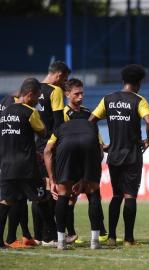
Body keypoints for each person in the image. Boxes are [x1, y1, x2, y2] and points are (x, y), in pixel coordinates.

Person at [90, 64, 149, 246]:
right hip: (133, 155)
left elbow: (91, 121)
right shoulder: (139, 100)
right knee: (130, 196)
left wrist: (100, 143)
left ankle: (111, 237)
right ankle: (128, 239)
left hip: (114, 155)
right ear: (139, 83)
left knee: (116, 195)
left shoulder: (108, 99)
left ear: (123, 80)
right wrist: (148, 139)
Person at [0, 78, 54, 249]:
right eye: (37, 97)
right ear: (30, 94)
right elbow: (43, 131)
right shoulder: (30, 112)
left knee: (7, 201)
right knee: (42, 198)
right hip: (26, 166)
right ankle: (51, 237)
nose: (38, 101)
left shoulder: (4, 113)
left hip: (6, 166)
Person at [60, 78, 108, 245]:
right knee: (70, 197)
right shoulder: (63, 115)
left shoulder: (88, 113)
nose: (80, 96)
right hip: (72, 162)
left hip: (89, 160)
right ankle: (71, 233)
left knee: (94, 194)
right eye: (76, 94)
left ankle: (101, 232)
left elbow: (95, 134)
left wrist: (102, 146)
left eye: (82, 93)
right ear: (67, 94)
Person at [44, 117, 104, 250]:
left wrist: (52, 180)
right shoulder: (92, 127)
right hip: (89, 144)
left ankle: (61, 242)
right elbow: (99, 152)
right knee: (93, 192)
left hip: (66, 146)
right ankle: (95, 242)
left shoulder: (59, 128)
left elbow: (47, 151)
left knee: (63, 193)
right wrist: (86, 179)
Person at [33, 60, 71, 246]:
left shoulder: (33, 89)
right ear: (59, 75)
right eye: (65, 79)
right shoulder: (54, 92)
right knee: (52, 190)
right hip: (48, 146)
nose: (64, 83)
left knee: (38, 191)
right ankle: (50, 235)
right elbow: (58, 123)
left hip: (32, 147)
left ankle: (38, 235)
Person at [0, 92, 37, 247]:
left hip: (6, 161)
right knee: (17, 199)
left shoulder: (5, 111)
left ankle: (23, 236)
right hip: (18, 162)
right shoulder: (19, 110)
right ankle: (12, 238)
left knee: (14, 199)